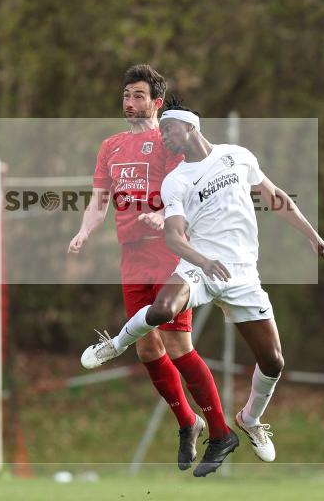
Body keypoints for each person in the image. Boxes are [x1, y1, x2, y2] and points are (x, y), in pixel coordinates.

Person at [80, 98, 324, 477]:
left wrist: (313, 238)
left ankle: (250, 420)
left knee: (273, 362)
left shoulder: (237, 157)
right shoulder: (177, 180)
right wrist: (201, 260)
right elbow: (173, 236)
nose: (165, 137)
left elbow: (276, 198)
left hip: (242, 276)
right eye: (162, 131)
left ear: (191, 127)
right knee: (162, 310)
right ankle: (115, 344)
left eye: (169, 130)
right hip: (198, 269)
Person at [68, 65, 231, 472]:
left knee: (178, 346)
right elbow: (99, 201)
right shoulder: (111, 146)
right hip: (132, 257)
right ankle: (187, 423)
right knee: (146, 346)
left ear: (157, 103)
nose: (130, 102)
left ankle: (220, 431)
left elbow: (198, 187)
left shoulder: (171, 143)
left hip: (169, 252)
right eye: (126, 95)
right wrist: (85, 231)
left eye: (139, 95)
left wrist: (167, 218)